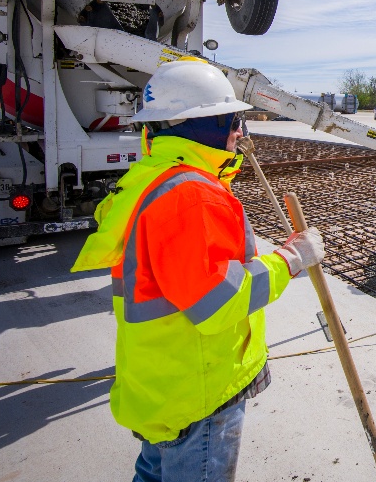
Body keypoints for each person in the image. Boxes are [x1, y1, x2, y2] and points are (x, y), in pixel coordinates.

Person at [70, 58, 324, 482]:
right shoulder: (194, 197)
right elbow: (217, 302)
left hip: (162, 381)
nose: (240, 133)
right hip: (199, 393)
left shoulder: (150, 179)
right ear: (201, 126)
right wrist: (290, 260)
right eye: (231, 122)